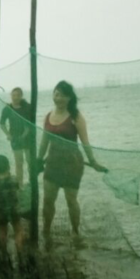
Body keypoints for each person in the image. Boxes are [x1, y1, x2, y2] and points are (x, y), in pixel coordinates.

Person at [39, 81, 106, 247]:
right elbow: (44, 141)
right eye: (56, 94)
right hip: (52, 162)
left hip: (72, 164)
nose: (58, 98)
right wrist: (38, 160)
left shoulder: (76, 117)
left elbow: (85, 142)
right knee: (48, 200)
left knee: (71, 200)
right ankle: (46, 231)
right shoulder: (48, 116)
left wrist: (93, 161)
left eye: (62, 95)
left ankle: (76, 232)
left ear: (69, 98)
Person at [0, 154, 25, 257]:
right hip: (14, 209)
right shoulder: (14, 180)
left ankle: (2, 252)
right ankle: (19, 251)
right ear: (8, 166)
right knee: (18, 230)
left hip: (1, 211)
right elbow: (19, 190)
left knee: (2, 232)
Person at [0, 88, 35, 183]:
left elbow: (30, 124)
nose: (15, 97)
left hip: (27, 137)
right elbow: (2, 124)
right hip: (15, 138)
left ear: (21, 96)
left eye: (18, 95)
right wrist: (8, 134)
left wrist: (24, 135)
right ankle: (20, 184)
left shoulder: (27, 107)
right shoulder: (7, 109)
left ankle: (32, 182)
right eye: (13, 95)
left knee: (30, 162)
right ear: (10, 96)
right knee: (19, 163)